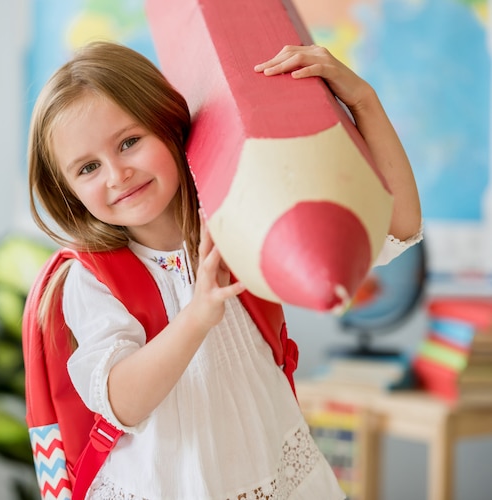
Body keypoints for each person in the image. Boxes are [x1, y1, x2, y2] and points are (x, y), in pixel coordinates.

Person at [27, 41, 422, 499]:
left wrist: (363, 102)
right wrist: (196, 317)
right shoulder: (89, 278)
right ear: (68, 191)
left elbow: (397, 226)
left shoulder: (241, 217)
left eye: (129, 142)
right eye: (89, 168)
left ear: (168, 124)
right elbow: (121, 403)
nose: (117, 175)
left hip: (274, 473)